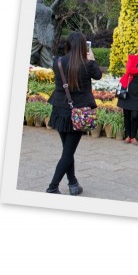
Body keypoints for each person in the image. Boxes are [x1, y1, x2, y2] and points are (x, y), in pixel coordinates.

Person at [46, 32, 102, 195]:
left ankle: (73, 183)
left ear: (68, 44)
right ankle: (52, 187)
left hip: (59, 111)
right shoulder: (87, 64)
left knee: (67, 150)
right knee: (68, 152)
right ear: (85, 46)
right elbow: (98, 75)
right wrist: (92, 59)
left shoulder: (58, 62)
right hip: (78, 113)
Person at [116, 42, 138, 144]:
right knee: (126, 114)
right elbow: (130, 70)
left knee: (135, 115)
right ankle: (128, 136)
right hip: (128, 89)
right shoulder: (132, 58)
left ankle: (133, 136)